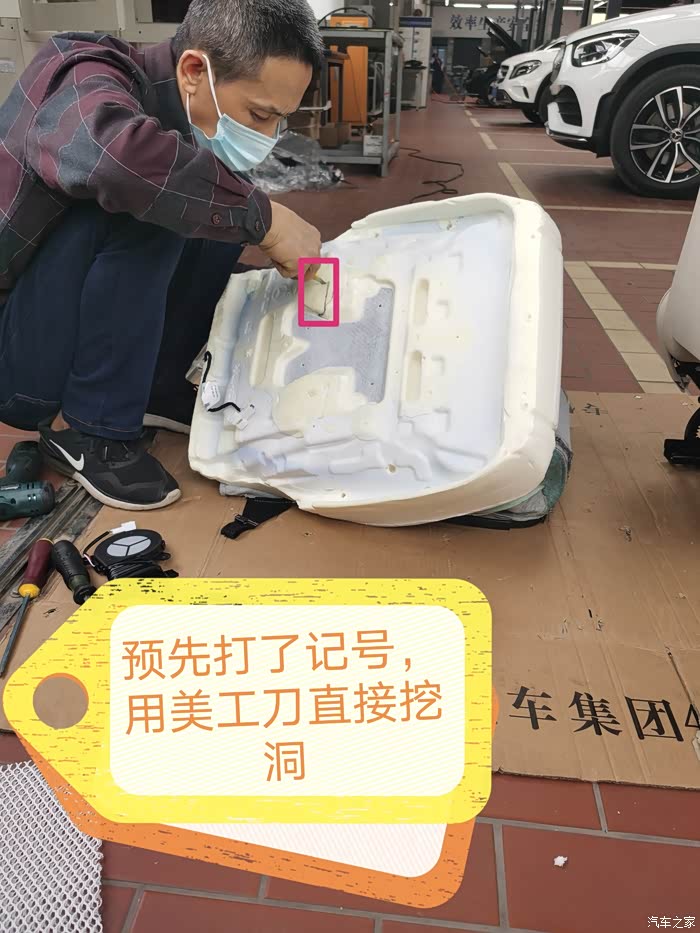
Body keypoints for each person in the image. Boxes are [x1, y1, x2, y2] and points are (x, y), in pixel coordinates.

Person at [0, 0, 325, 511]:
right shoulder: (83, 74)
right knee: (162, 195)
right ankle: (91, 431)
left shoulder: (178, 114)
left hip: (52, 320)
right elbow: (115, 162)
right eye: (260, 115)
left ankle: (159, 386)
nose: (267, 139)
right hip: (13, 351)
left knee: (213, 193)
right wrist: (266, 219)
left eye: (279, 121)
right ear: (193, 70)